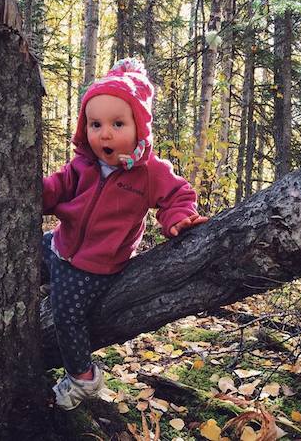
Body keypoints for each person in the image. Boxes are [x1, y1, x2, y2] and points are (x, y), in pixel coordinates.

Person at [43, 57, 208, 410]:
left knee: (66, 315)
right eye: (95, 123)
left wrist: (178, 218)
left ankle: (82, 377)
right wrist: (33, 193)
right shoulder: (82, 165)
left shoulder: (148, 172)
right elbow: (55, 189)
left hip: (94, 266)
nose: (105, 133)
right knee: (28, 255)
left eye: (118, 123)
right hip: (62, 243)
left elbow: (178, 195)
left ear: (139, 128)